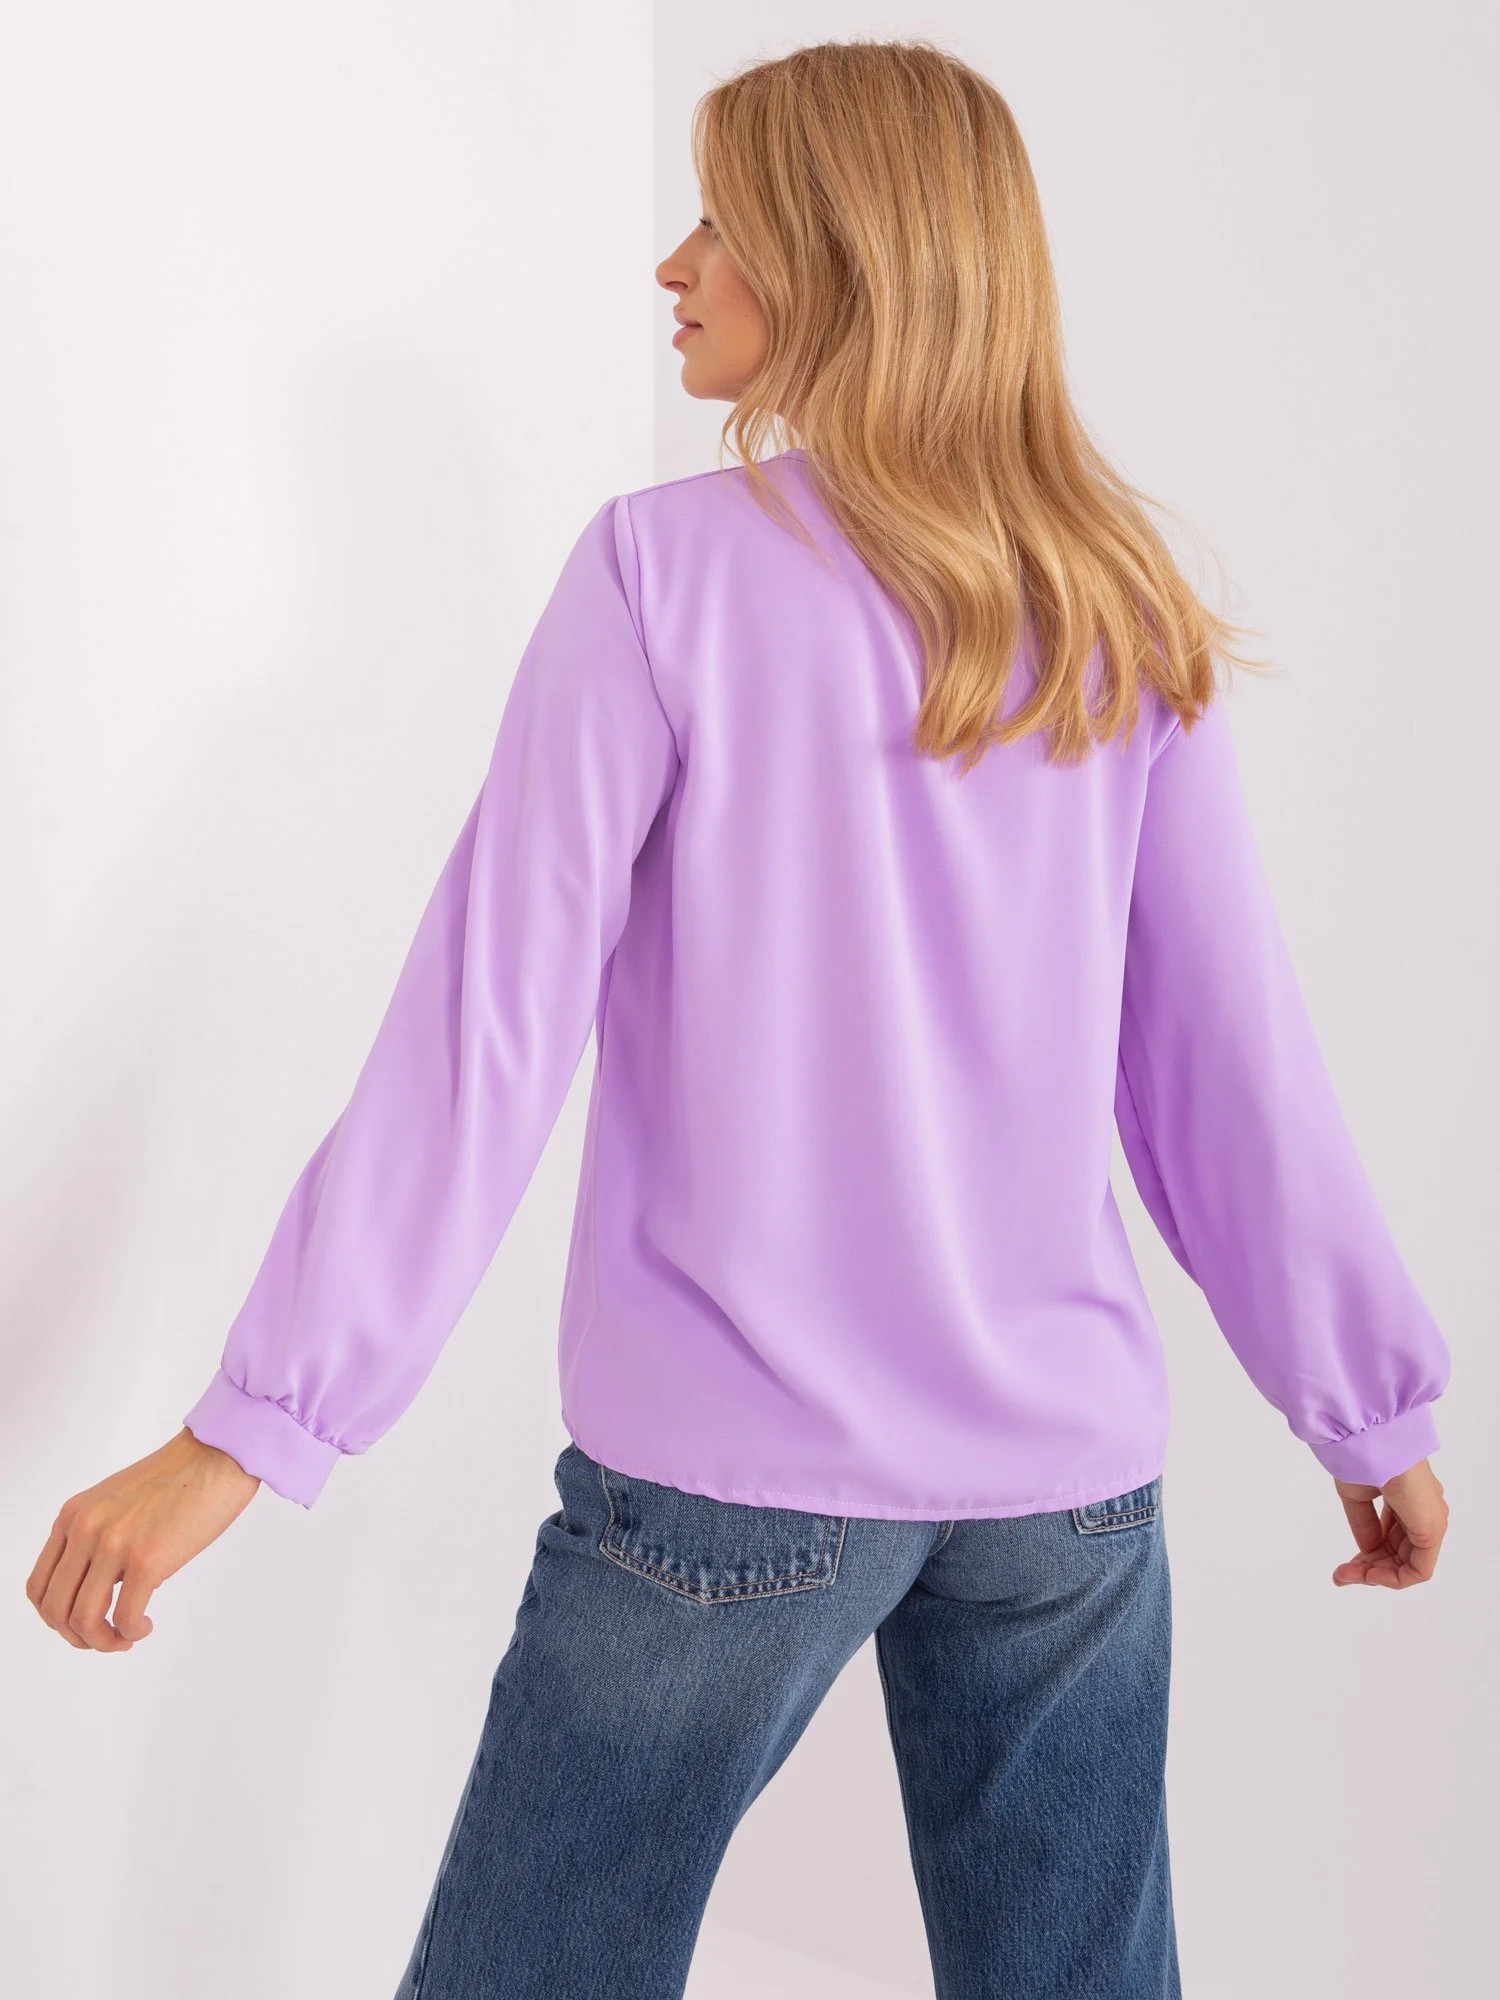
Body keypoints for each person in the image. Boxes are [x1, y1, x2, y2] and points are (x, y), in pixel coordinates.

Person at [26, 36, 1451, 2000]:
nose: (674, 263)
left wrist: (252, 1430)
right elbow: (1228, 1075)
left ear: (845, 255)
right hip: (1063, 1496)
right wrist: (1359, 1401)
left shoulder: (660, 575)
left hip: (724, 1477)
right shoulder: (1116, 609)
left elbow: (483, 1037)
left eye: (727, 220)